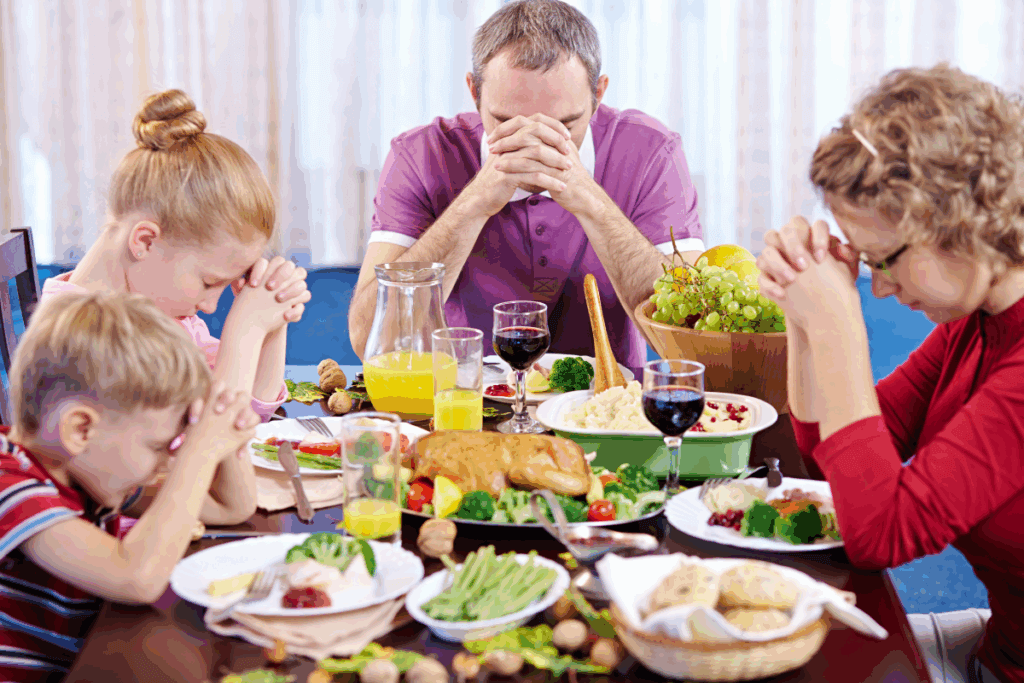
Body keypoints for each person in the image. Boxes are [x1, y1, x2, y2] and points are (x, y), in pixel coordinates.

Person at [757, 64, 1024, 683]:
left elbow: (881, 532)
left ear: (958, 224)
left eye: (884, 260)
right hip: (996, 651)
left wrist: (839, 327)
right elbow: (831, 460)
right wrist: (801, 310)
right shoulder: (977, 321)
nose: (878, 287)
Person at [348, 0, 704, 369]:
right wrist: (474, 203)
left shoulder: (651, 152)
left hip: (611, 407)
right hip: (463, 403)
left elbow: (691, 340)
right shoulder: (421, 154)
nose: (535, 145)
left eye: (565, 125)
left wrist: (589, 200)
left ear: (599, 94)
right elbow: (370, 342)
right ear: (474, 92)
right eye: (506, 122)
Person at [0, 291, 260, 682]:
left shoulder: (86, 470)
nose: (165, 463)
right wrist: (199, 453)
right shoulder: (14, 485)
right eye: (158, 446)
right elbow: (137, 577)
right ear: (81, 429)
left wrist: (219, 424)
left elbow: (230, 508)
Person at [42, 89, 310, 425]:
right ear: (145, 241)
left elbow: (254, 411)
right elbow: (213, 437)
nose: (212, 305)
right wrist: (246, 330)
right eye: (210, 282)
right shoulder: (77, 338)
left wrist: (274, 313)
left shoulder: (159, 313)